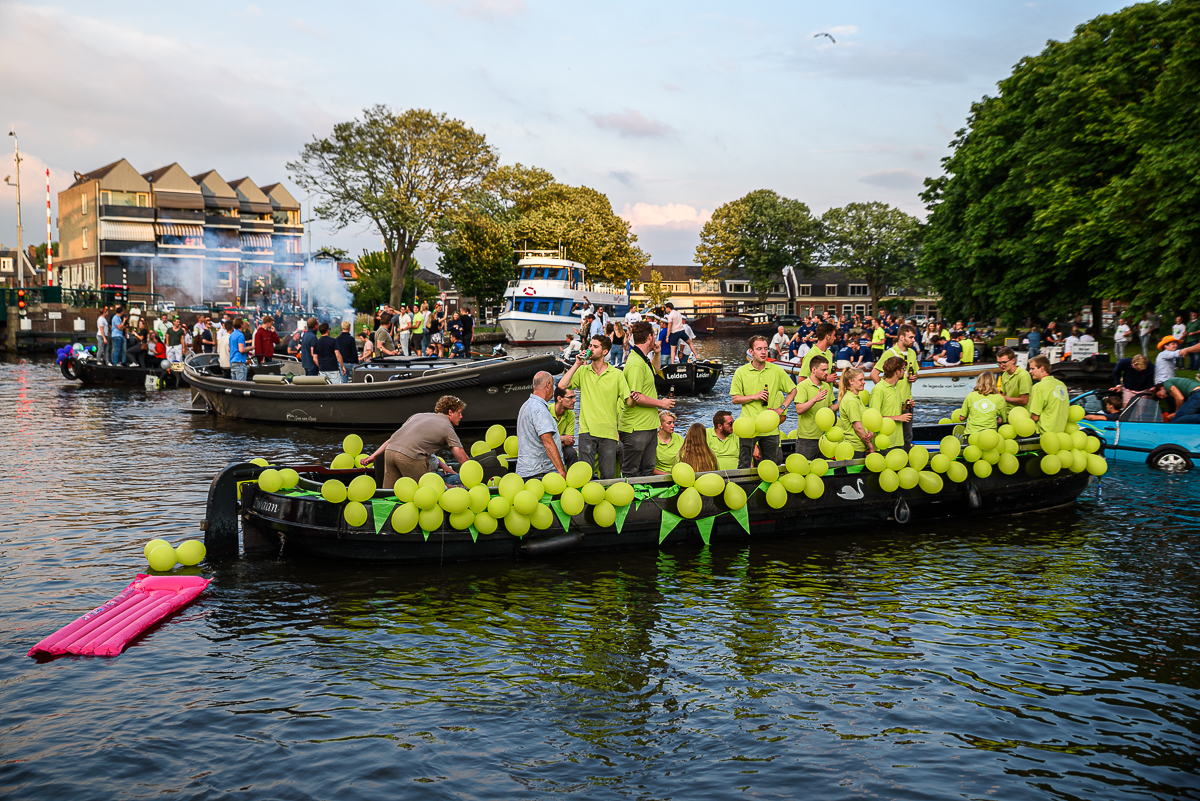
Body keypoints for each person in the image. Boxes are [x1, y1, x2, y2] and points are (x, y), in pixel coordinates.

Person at [559, 334, 632, 480]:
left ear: (605, 352)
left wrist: (635, 398)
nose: (590, 349)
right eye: (590, 345)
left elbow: (629, 402)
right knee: (584, 476)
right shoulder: (583, 371)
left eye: (595, 346)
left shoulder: (617, 374)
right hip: (587, 431)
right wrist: (577, 364)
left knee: (607, 476)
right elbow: (561, 386)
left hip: (609, 432)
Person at [362, 395, 471, 488]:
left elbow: (393, 439)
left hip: (390, 452)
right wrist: (474, 476)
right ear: (450, 412)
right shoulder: (446, 426)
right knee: (426, 489)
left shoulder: (418, 415)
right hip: (410, 457)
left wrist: (373, 456)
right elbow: (461, 456)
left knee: (389, 494)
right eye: (459, 413)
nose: (461, 416)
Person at [731, 335, 798, 468]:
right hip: (748, 426)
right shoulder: (741, 372)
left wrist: (781, 408)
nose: (763, 352)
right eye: (759, 349)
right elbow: (735, 399)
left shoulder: (777, 370)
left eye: (766, 349)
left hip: (770, 428)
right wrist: (754, 396)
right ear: (751, 352)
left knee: (771, 466)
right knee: (744, 465)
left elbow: (793, 390)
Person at [620, 321, 675, 477]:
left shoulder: (642, 358)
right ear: (650, 337)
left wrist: (657, 353)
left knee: (648, 469)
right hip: (636, 427)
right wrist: (661, 403)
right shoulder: (636, 363)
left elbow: (654, 370)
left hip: (649, 425)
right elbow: (635, 396)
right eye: (654, 336)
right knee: (631, 472)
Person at [870, 323, 920, 447]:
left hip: (907, 401)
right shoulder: (889, 353)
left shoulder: (912, 353)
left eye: (914, 337)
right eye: (911, 337)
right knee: (889, 435)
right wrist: (886, 391)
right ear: (901, 337)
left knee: (907, 437)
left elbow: (915, 372)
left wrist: (915, 376)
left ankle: (905, 457)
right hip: (891, 402)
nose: (914, 340)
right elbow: (874, 374)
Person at [516, 372, 568, 479]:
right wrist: (561, 471)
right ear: (548, 385)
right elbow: (547, 442)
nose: (553, 389)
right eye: (553, 385)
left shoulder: (526, 405)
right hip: (539, 473)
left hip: (525, 471)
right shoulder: (539, 409)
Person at [793, 354, 833, 459]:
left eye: (827, 369)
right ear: (814, 370)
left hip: (825, 438)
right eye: (823, 370)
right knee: (803, 467)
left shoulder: (826, 386)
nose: (827, 372)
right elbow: (799, 409)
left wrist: (842, 402)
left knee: (824, 467)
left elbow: (830, 408)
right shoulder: (802, 386)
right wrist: (815, 399)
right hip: (807, 439)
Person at [869, 356, 912, 443]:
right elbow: (874, 419)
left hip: (898, 440)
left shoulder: (897, 386)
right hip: (884, 441)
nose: (905, 371)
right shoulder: (879, 389)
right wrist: (898, 418)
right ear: (897, 371)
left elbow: (894, 411)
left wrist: (906, 406)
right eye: (903, 369)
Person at [837, 367, 874, 458]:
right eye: (860, 380)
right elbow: (858, 428)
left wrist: (870, 432)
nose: (864, 382)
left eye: (863, 379)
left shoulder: (856, 397)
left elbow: (864, 421)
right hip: (854, 448)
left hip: (860, 446)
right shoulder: (851, 400)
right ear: (851, 381)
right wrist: (871, 447)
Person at [1028, 355, 1069, 434]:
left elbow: (1035, 417)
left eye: (1032, 369)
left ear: (1042, 368)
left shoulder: (1038, 387)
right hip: (1060, 432)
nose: (1030, 371)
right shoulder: (1062, 385)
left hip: (1043, 433)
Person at [995, 347, 1032, 419]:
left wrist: (1002, 397)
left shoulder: (1023, 375)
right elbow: (1004, 396)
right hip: (1007, 412)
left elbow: (1024, 400)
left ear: (1013, 360)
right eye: (999, 363)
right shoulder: (1005, 374)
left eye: (1004, 362)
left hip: (1020, 414)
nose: (1001, 365)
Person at [550, 387, 578, 466]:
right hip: (543, 448)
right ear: (559, 399)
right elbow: (544, 441)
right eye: (570, 397)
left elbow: (569, 441)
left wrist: (555, 440)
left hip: (557, 446)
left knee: (571, 453)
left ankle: (572, 474)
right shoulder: (546, 411)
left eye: (574, 397)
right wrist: (563, 439)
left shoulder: (571, 414)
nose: (574, 400)